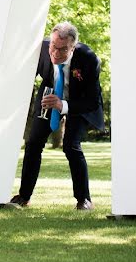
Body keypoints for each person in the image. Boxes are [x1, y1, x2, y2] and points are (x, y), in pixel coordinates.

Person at [11, 22, 105, 210]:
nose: (55, 52)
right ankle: (24, 196)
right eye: (53, 46)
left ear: (73, 47)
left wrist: (64, 105)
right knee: (33, 143)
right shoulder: (41, 49)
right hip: (49, 95)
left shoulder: (88, 59)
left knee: (71, 146)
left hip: (78, 104)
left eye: (62, 49)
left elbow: (93, 101)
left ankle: (84, 200)